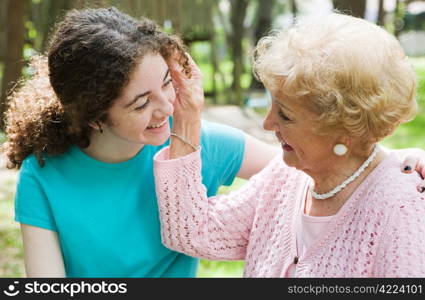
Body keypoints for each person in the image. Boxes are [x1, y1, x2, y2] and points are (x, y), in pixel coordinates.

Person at [3, 7, 278, 278]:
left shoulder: (197, 143)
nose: (167, 109)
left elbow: (306, 173)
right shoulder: (43, 173)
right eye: (142, 104)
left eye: (167, 83)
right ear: (94, 117)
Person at [153, 13, 425, 277]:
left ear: (344, 128)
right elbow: (195, 232)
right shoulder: (285, 178)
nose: (268, 124)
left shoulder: (401, 207)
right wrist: (187, 115)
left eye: (285, 115)